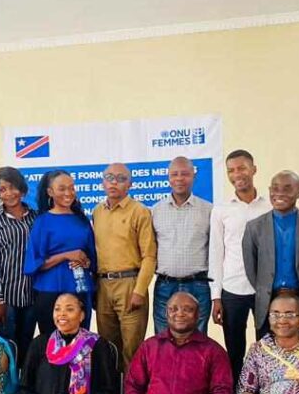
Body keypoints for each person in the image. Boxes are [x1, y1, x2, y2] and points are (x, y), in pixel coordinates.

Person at [241, 170, 299, 336]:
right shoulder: (254, 227)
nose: (279, 193)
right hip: (268, 302)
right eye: (275, 188)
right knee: (269, 357)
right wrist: (266, 288)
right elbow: (251, 269)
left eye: (287, 188)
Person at [209, 149, 271, 382]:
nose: (237, 174)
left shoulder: (270, 206)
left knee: (265, 346)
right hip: (232, 288)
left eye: (242, 168)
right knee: (234, 349)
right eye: (231, 171)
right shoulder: (221, 210)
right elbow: (216, 253)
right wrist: (216, 296)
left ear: (254, 170)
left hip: (264, 288)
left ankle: (264, 391)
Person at [92, 163, 157, 368]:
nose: (114, 182)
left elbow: (149, 256)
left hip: (130, 285)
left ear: (129, 184)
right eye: (109, 177)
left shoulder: (140, 211)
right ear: (102, 182)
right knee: (108, 347)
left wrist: (140, 290)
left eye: (121, 178)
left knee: (132, 348)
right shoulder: (97, 212)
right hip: (103, 286)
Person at [23, 170, 97, 335]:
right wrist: (65, 255)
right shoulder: (43, 222)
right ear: (50, 192)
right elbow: (34, 264)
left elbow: (91, 258)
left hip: (80, 289)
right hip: (50, 291)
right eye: (62, 188)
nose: (68, 193)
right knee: (52, 344)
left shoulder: (81, 219)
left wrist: (86, 262)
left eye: (71, 188)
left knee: (81, 344)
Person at [150, 156, 213, 334]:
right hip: (165, 286)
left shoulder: (209, 210)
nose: (179, 178)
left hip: (198, 284)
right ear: (168, 177)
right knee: (163, 339)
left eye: (185, 174)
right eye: (174, 174)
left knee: (198, 341)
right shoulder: (155, 211)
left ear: (193, 176)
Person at [0, 166, 37, 365]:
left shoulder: (35, 216)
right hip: (6, 297)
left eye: (13, 187)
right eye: (3, 189)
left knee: (26, 345)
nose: (9, 193)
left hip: (31, 294)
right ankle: (3, 390)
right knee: (5, 347)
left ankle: (21, 391)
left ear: (22, 189)